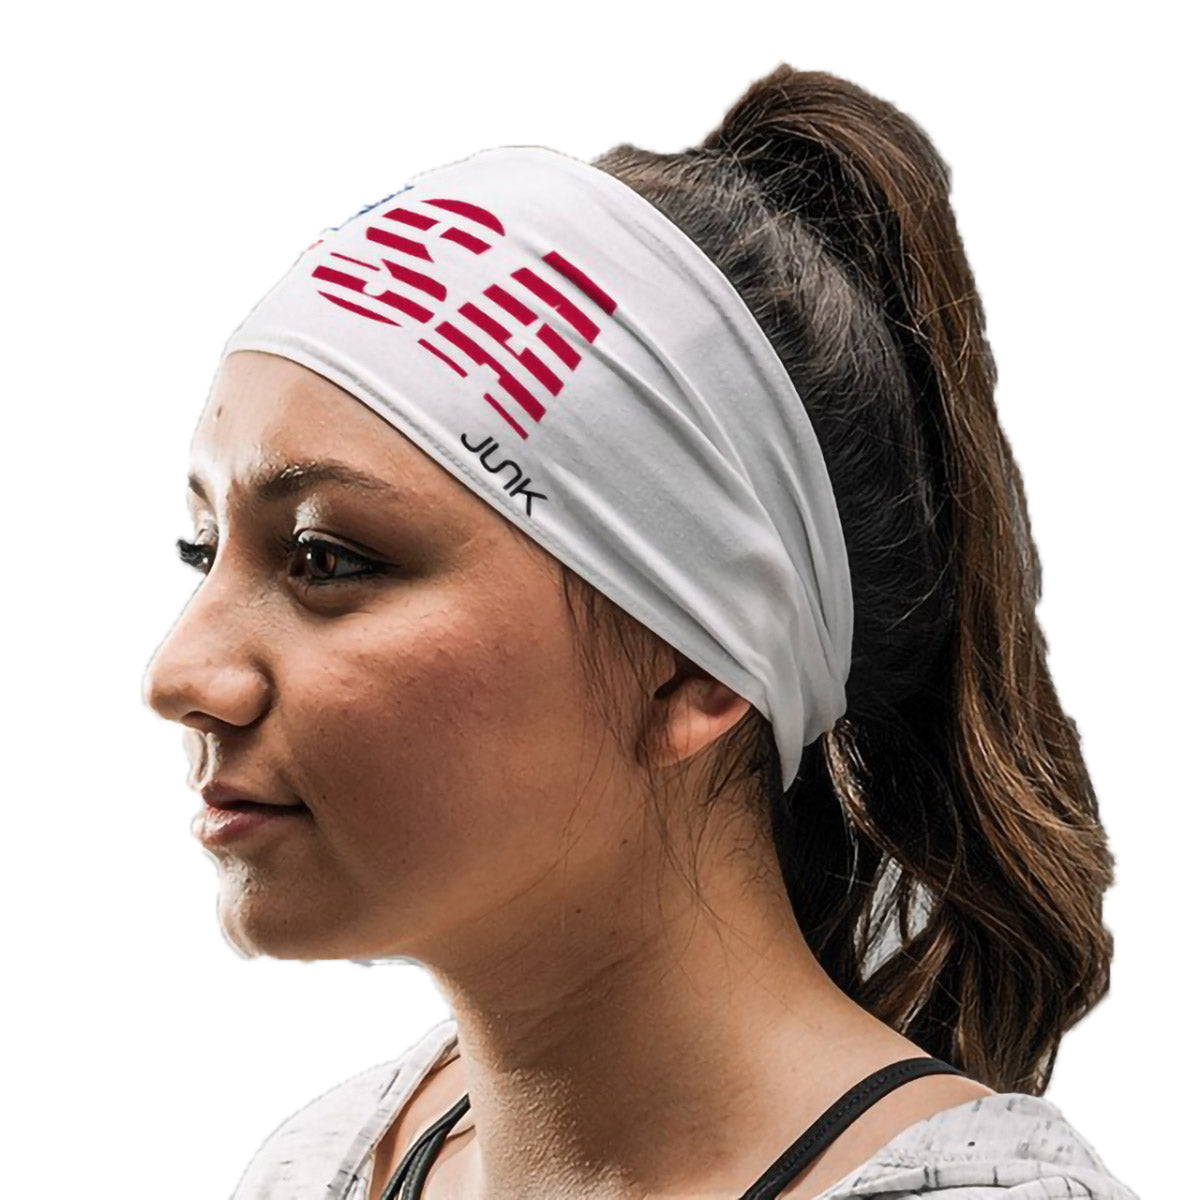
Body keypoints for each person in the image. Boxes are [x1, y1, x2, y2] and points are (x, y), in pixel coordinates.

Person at [142, 63, 1138, 1200]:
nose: (179, 671)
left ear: (696, 665)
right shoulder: (326, 1163)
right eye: (201, 550)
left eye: (327, 558)